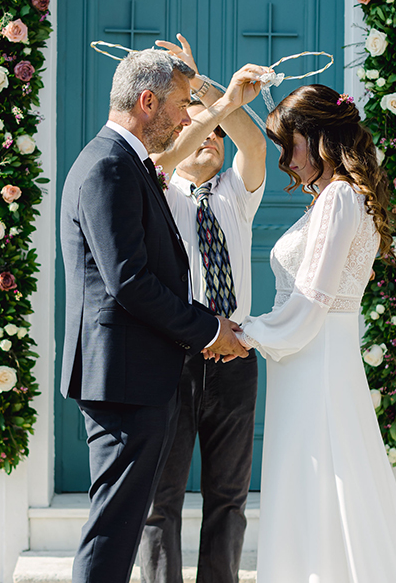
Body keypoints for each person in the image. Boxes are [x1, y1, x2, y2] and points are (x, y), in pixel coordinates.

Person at [59, 48, 251, 583]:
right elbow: (130, 282)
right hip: (124, 381)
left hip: (131, 376)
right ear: (148, 102)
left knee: (117, 530)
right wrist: (211, 327)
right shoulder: (109, 167)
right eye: (180, 104)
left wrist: (225, 103)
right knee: (113, 531)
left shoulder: (124, 162)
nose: (185, 116)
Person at [237, 84, 396, 583]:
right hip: (312, 360)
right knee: (322, 484)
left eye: (290, 145)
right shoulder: (340, 197)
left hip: (314, 362)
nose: (285, 160)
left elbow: (311, 305)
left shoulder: (339, 198)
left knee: (322, 481)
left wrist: (245, 333)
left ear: (317, 137)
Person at [140, 35, 267, 583]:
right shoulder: (157, 190)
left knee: (228, 499)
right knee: (160, 500)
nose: (211, 139)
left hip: (234, 357)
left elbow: (254, 143)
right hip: (173, 358)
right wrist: (189, 95)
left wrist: (204, 83)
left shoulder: (237, 193)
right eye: (201, 131)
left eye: (216, 133)